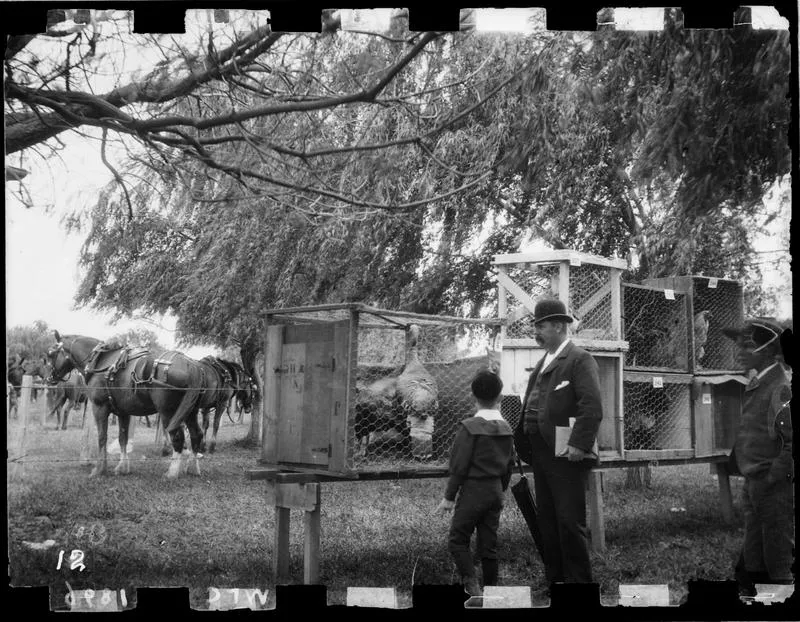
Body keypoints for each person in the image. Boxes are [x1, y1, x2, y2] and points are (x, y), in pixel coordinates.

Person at [521, 298, 602, 586]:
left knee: (569, 522)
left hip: (567, 454)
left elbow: (591, 406)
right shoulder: (544, 361)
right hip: (542, 453)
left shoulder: (580, 360)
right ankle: (555, 581)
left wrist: (580, 444)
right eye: (535, 326)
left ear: (558, 326)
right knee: (548, 520)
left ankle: (579, 584)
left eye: (540, 327)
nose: (536, 332)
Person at [722, 318, 794, 595]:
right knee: (755, 550)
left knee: (777, 551)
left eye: (746, 345)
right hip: (755, 480)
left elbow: (790, 443)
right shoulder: (758, 382)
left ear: (767, 350)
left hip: (772, 484)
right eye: (738, 345)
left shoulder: (780, 387)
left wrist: (773, 477)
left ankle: (782, 598)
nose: (738, 351)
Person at [435, 369, 515, 597]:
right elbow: (510, 465)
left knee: (458, 540)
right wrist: (500, 489)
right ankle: (491, 592)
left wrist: (449, 497)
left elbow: (458, 467)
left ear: (473, 396)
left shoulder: (469, 427)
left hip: (473, 492)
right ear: (500, 398)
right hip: (495, 491)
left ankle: (473, 588)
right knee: (488, 546)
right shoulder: (507, 429)